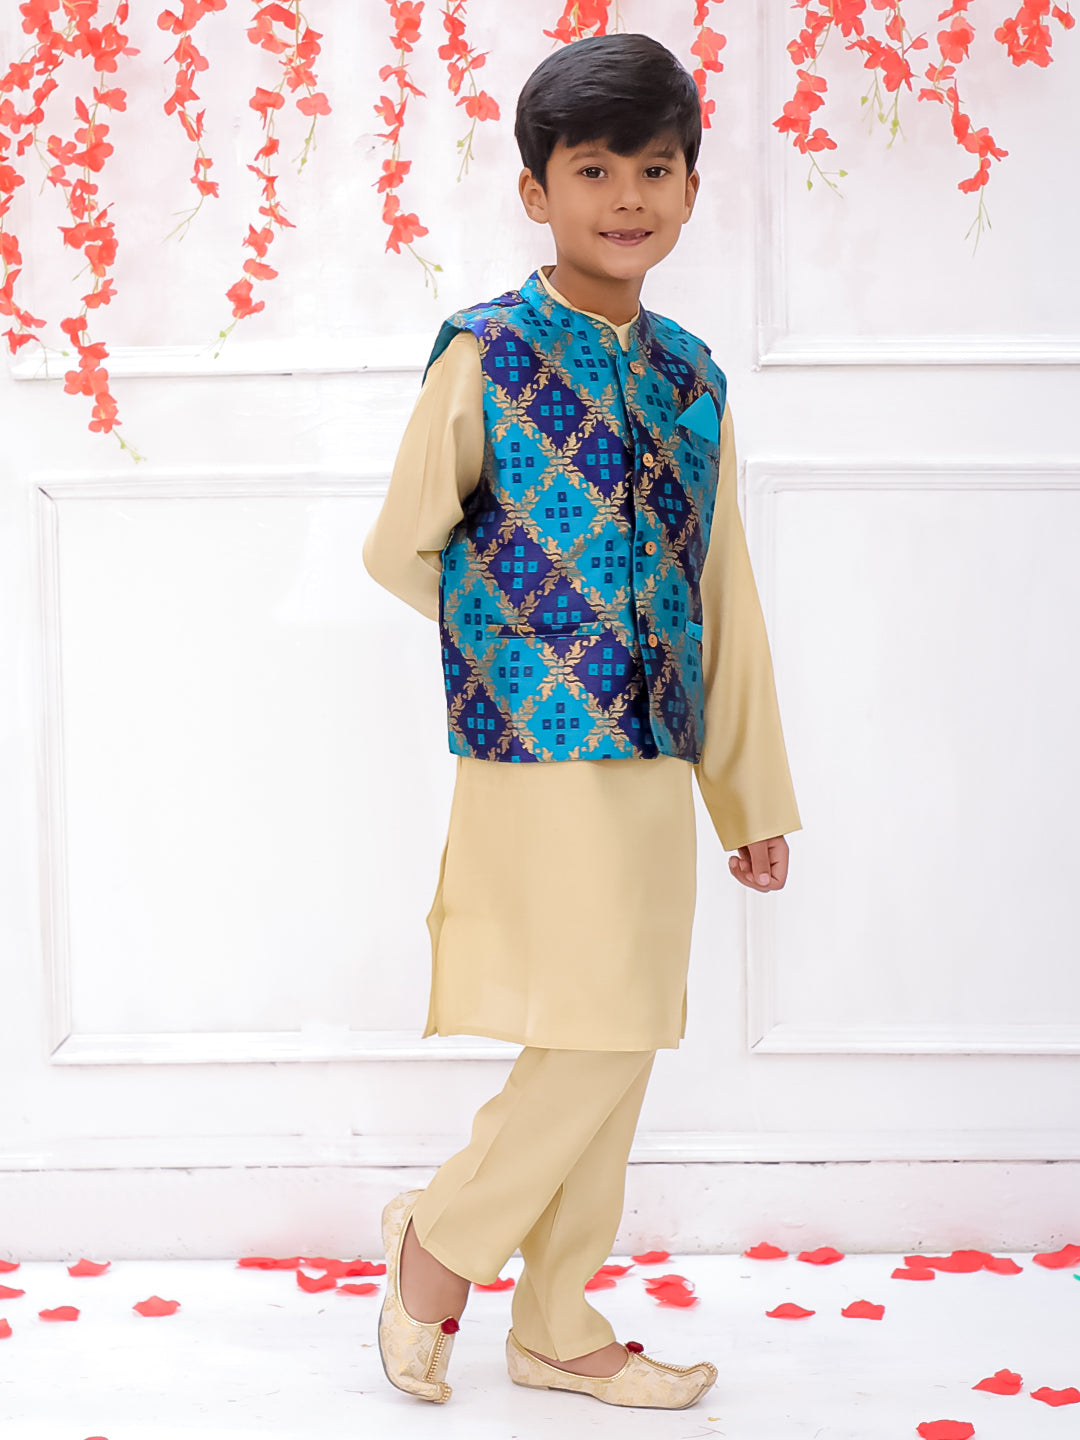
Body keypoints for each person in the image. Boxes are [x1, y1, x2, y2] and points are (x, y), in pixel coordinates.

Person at [363, 31, 801, 1411]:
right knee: (604, 1020)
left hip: (657, 754)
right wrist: (528, 640)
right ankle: (443, 1245)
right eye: (594, 170)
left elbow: (722, 595)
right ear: (536, 191)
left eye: (655, 170)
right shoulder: (486, 354)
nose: (627, 197)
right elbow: (401, 545)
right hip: (535, 750)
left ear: (690, 189)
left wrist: (751, 796)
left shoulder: (691, 378)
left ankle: (556, 1320)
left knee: (622, 1026)